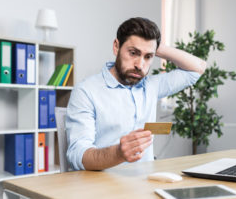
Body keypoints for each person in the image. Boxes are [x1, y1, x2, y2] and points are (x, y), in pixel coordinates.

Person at [66, 17, 206, 171]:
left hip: (145, 183)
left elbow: (198, 68)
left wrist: (155, 47)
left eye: (148, 57)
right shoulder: (86, 91)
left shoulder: (152, 86)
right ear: (116, 47)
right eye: (133, 53)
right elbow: (77, 155)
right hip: (102, 186)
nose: (140, 65)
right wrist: (118, 153)